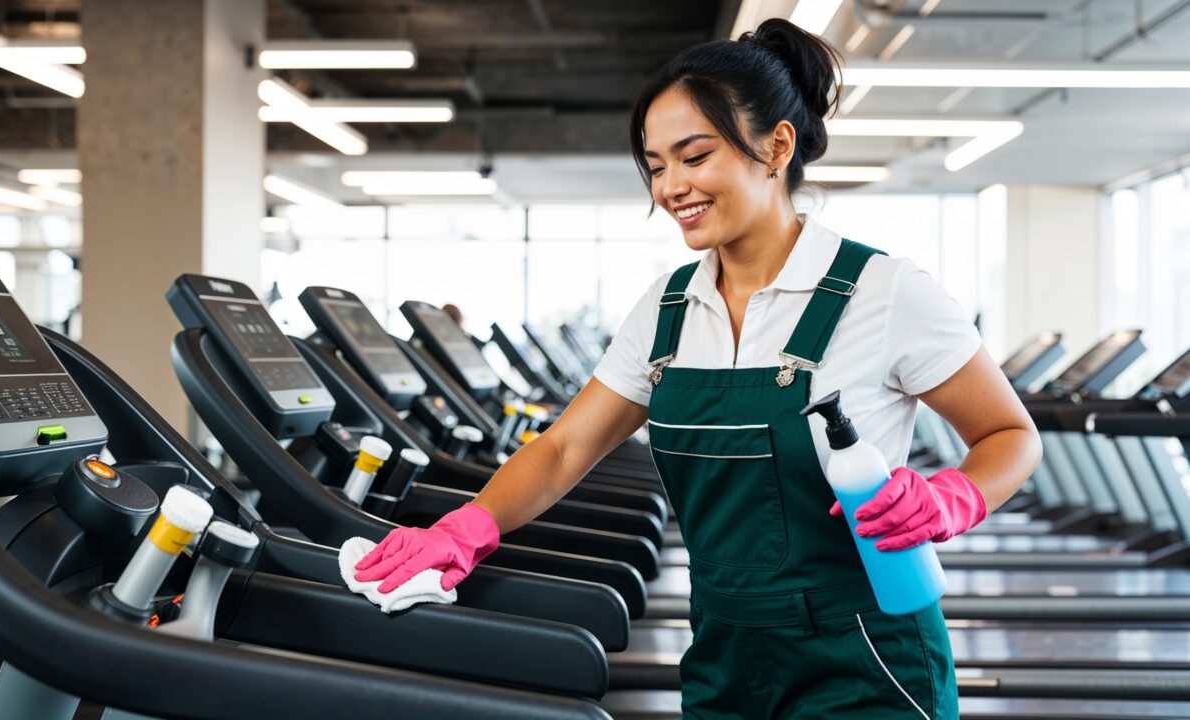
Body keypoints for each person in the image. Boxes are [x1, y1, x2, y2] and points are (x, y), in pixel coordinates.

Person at [355, 18, 1041, 719]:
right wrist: (465, 528)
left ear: (776, 146)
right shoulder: (667, 309)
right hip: (722, 652)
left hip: (866, 654)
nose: (669, 187)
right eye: (654, 165)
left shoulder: (885, 291)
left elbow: (1010, 437)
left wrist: (950, 498)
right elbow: (564, 449)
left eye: (693, 156)